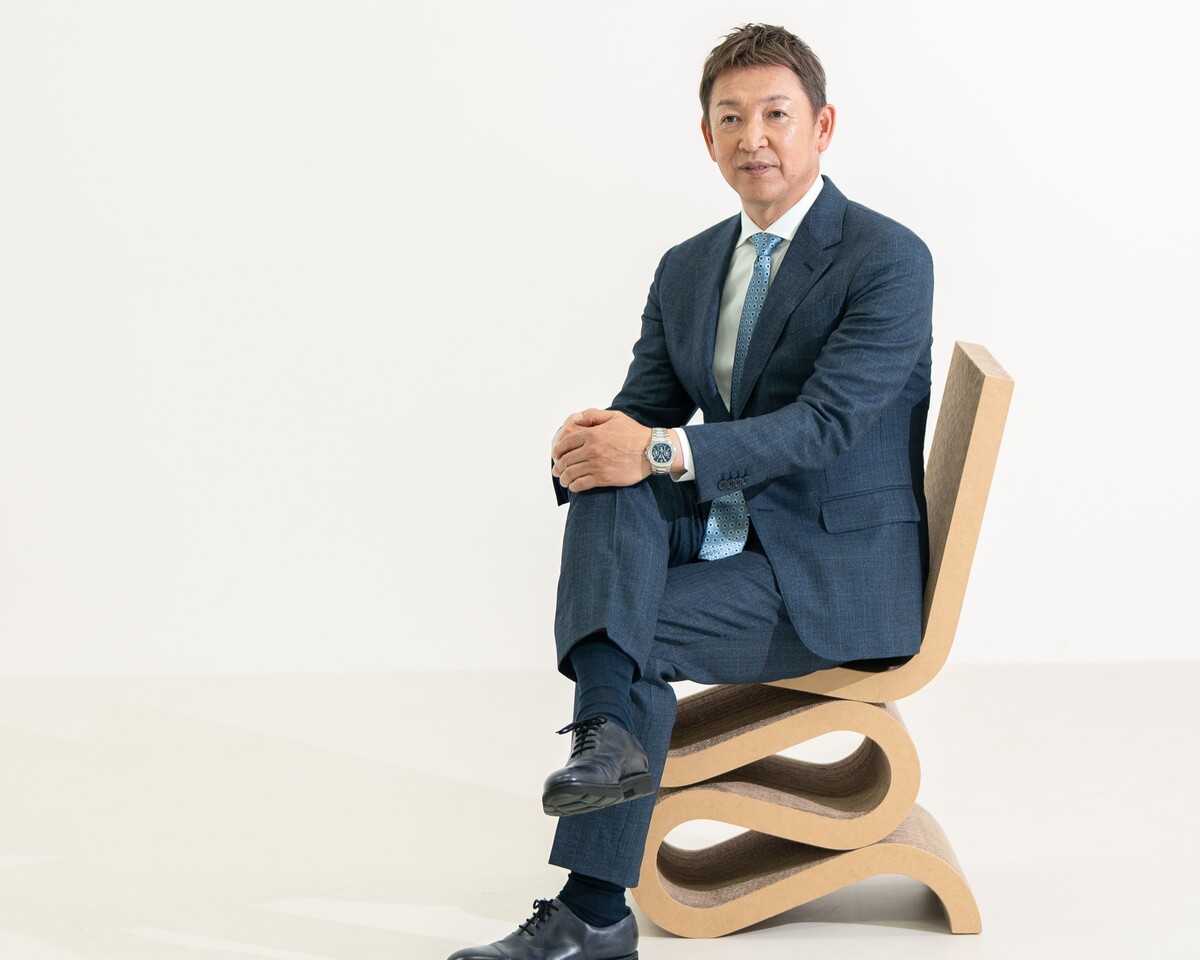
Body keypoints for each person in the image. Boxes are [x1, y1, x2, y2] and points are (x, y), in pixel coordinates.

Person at [449, 22, 933, 960]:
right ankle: (607, 743)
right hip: (736, 528)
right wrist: (589, 446)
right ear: (707, 137)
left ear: (823, 126)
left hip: (834, 572)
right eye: (732, 118)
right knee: (611, 483)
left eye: (776, 114)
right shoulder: (688, 266)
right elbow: (647, 414)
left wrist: (657, 450)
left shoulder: (887, 258)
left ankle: (594, 907)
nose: (755, 137)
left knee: (627, 622)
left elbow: (825, 425)